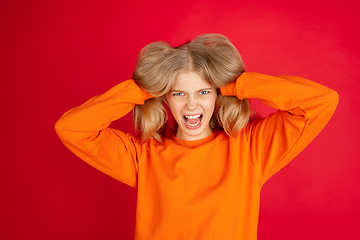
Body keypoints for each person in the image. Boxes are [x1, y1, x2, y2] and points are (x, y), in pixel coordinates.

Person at [55, 34, 338, 240]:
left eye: (203, 92)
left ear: (218, 94)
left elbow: (321, 101)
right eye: (179, 93)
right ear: (165, 97)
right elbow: (72, 128)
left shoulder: (250, 147)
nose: (191, 105)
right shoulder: (144, 155)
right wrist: (142, 89)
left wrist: (237, 83)